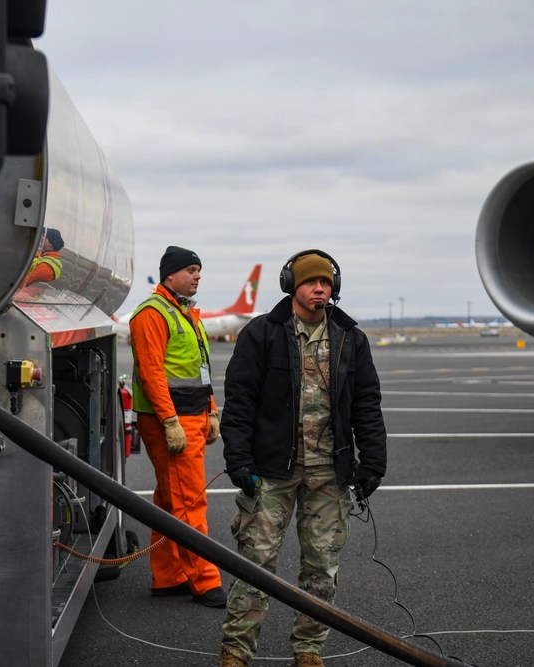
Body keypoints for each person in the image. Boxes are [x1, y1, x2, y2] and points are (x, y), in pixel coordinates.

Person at [218, 249, 387, 667]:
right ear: (292, 286)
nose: (319, 289)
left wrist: (373, 462)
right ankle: (236, 651)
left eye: (326, 282)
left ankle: (309, 650)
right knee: (255, 565)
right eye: (311, 282)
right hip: (271, 471)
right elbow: (239, 401)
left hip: (329, 473)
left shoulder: (350, 338)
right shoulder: (262, 334)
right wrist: (239, 461)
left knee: (321, 569)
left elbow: (367, 403)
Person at [129, 245, 226, 607]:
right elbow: (151, 372)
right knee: (189, 501)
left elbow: (199, 369)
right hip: (172, 419)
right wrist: (170, 422)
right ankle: (205, 580)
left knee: (170, 499)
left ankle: (169, 575)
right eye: (190, 270)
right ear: (170, 275)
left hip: (191, 415)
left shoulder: (184, 313)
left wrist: (211, 410)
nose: (198, 276)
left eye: (199, 270)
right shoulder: (152, 314)